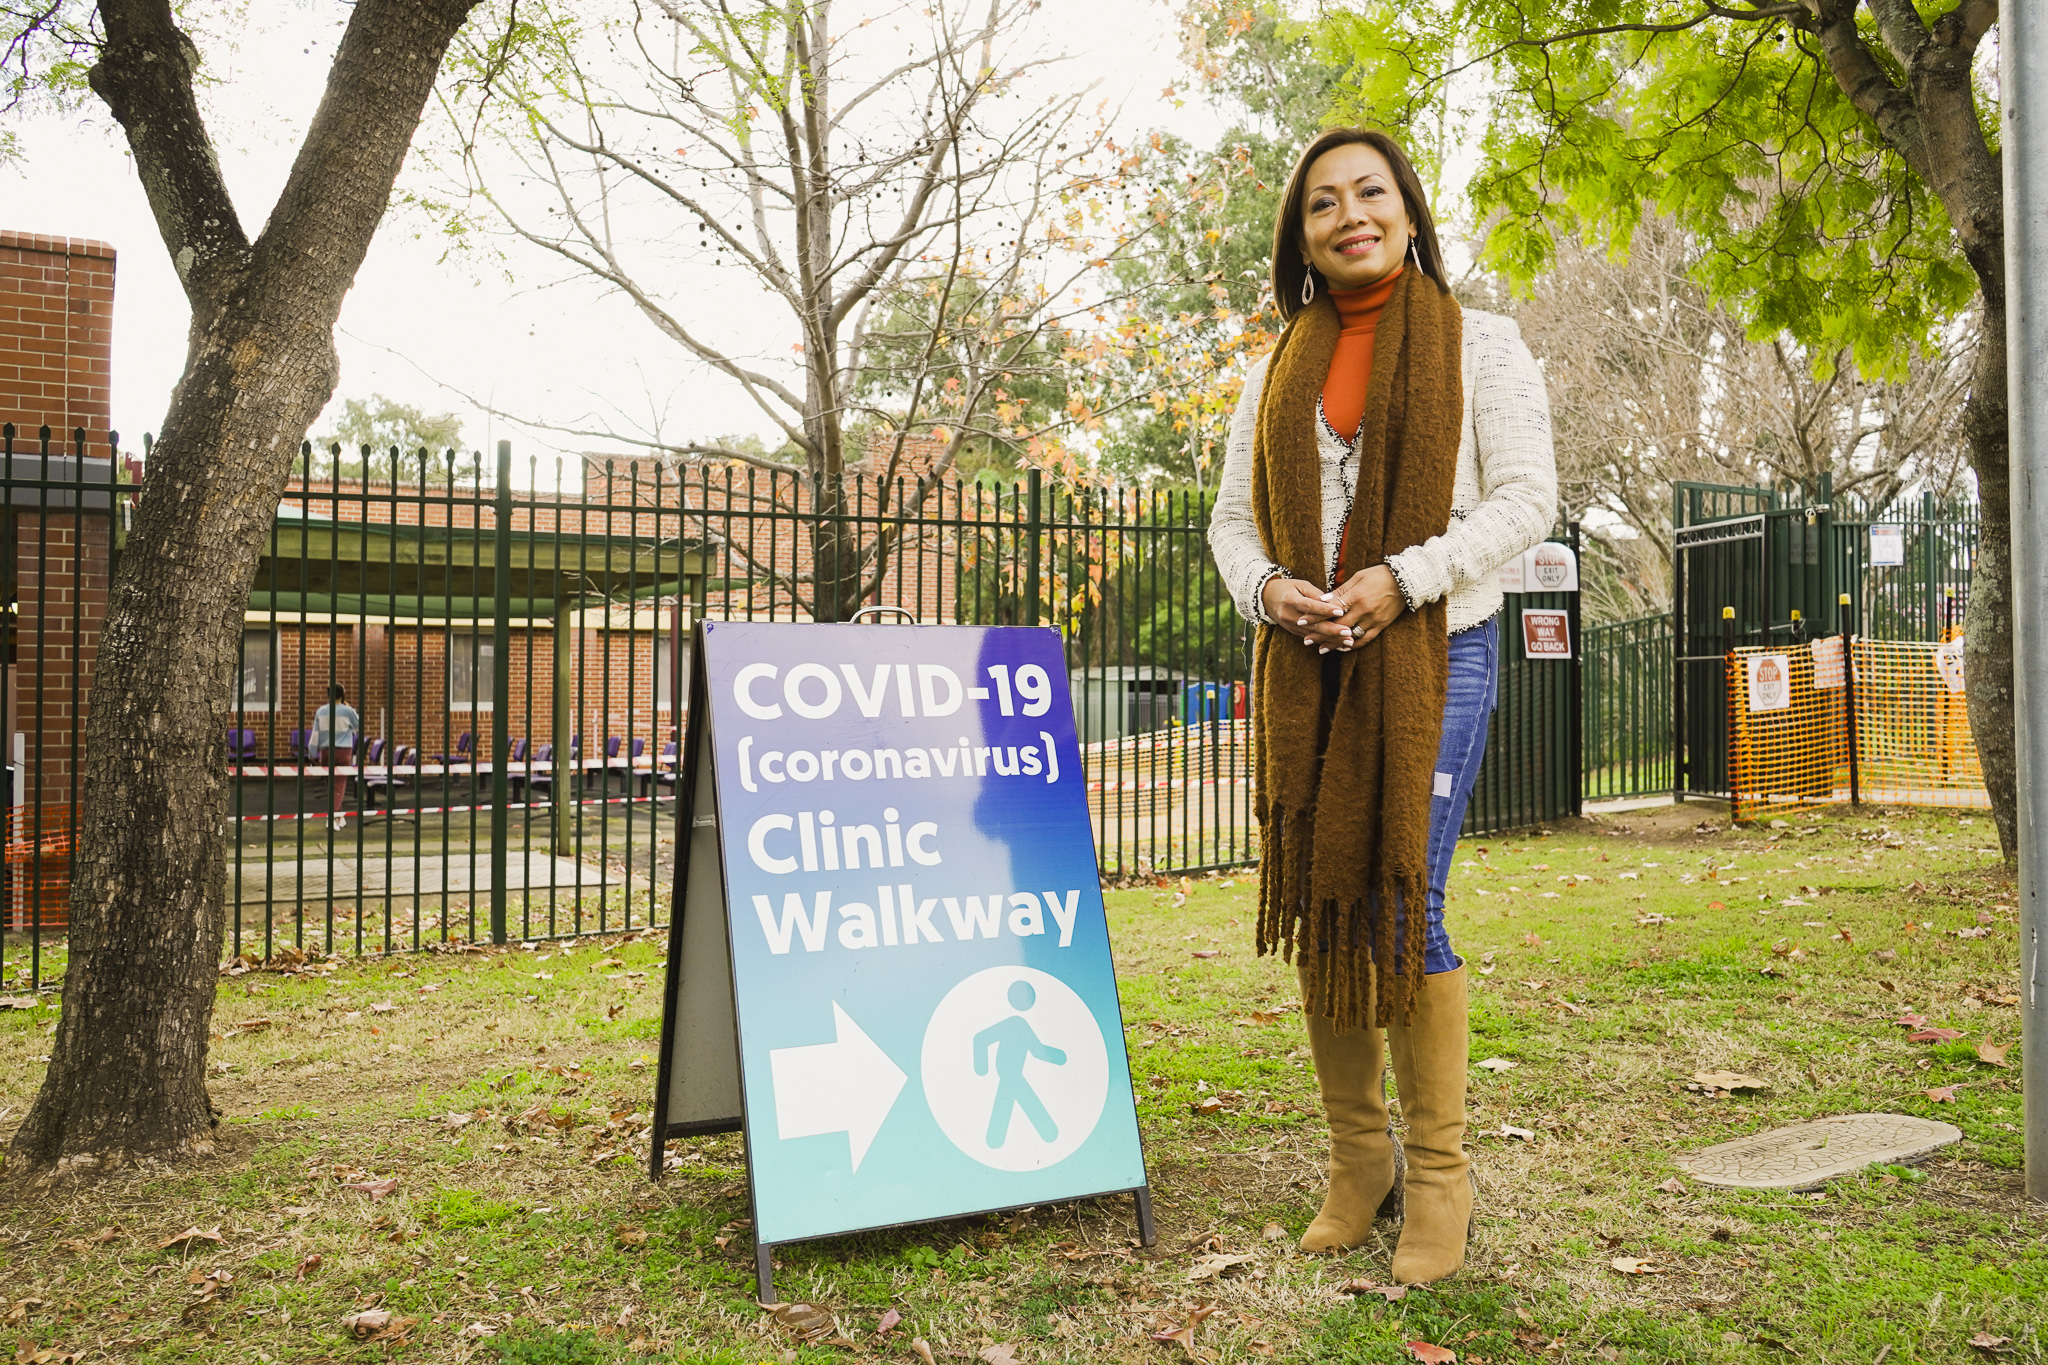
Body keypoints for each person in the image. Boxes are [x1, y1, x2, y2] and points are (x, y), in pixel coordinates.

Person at [1208, 127, 1555, 1283]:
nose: (1348, 214)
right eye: (1322, 203)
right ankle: (1359, 1161)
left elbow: (1525, 502)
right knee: (1323, 899)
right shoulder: (1273, 368)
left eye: (1369, 192)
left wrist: (1398, 578)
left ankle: (1439, 1175)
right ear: (1299, 234)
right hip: (1305, 665)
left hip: (1432, 653)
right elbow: (1228, 525)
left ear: (1407, 211)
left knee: (1405, 903)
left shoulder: (1481, 344)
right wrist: (1271, 592)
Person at [312, 684, 361, 832]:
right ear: (342, 694)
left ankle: (339, 816)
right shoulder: (348, 711)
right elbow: (359, 726)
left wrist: (312, 752)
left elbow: (315, 734)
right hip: (343, 751)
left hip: (326, 752)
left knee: (331, 785)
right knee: (339, 785)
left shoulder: (321, 711)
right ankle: (332, 817)